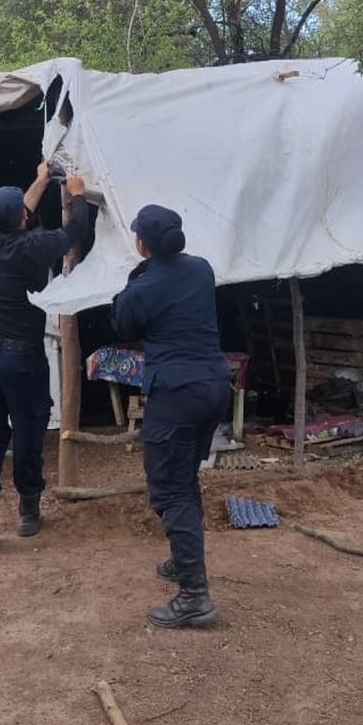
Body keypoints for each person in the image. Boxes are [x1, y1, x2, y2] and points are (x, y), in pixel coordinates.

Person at [0, 162, 100, 551]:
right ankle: (27, 513)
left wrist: (41, 179)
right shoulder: (34, 247)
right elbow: (76, 231)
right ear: (24, 219)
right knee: (27, 433)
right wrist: (75, 194)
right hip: (22, 361)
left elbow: (17, 210)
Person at [111, 205, 231, 629]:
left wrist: (134, 276)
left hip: (176, 393)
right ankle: (184, 565)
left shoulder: (142, 288)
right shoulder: (201, 269)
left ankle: (195, 598)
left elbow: (122, 324)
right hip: (214, 388)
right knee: (185, 477)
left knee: (170, 489)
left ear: (142, 244)